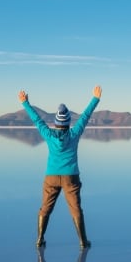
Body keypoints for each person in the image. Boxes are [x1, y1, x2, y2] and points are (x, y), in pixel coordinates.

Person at [18, 85, 102, 249]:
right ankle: (83, 242)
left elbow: (37, 120)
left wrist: (25, 103)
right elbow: (85, 117)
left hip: (51, 177)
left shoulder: (49, 134)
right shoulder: (74, 133)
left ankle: (39, 239)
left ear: (56, 123)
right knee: (75, 208)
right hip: (71, 177)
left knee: (45, 208)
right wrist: (95, 99)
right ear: (68, 122)